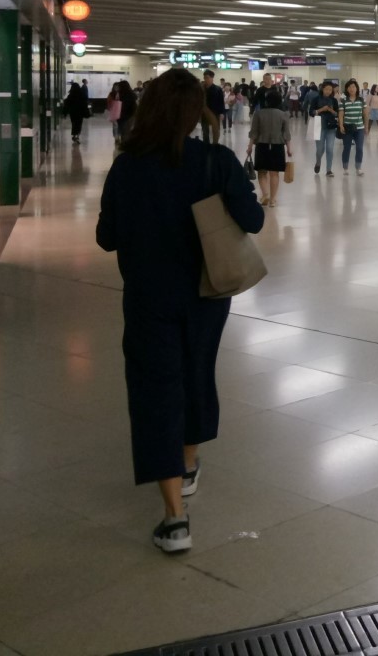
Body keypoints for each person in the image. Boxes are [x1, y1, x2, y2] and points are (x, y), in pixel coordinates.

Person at [95, 67, 264, 553]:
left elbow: (107, 237)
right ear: (195, 113)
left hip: (149, 296)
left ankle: (174, 518)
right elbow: (251, 219)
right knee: (195, 372)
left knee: (156, 387)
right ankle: (188, 462)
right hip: (208, 295)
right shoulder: (215, 160)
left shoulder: (128, 166)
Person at [249, 86, 291, 206]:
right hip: (277, 146)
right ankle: (272, 199)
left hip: (261, 145)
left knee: (262, 172)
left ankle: (265, 193)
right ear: (279, 101)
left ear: (266, 101)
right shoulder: (283, 115)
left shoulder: (259, 114)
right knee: (274, 173)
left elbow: (254, 132)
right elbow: (286, 134)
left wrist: (250, 146)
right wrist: (289, 148)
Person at [338, 79, 369, 176]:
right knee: (346, 147)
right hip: (347, 128)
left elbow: (365, 114)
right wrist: (341, 125)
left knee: (359, 148)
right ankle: (345, 168)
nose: (352, 89)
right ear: (347, 89)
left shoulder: (361, 100)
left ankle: (358, 168)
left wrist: (366, 127)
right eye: (350, 87)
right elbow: (341, 114)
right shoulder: (343, 100)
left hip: (359, 128)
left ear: (357, 88)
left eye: (353, 87)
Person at [312, 82, 340, 177]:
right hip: (318, 126)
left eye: (330, 89)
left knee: (330, 149)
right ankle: (318, 162)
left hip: (331, 127)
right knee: (320, 149)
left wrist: (331, 110)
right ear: (322, 89)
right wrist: (321, 110)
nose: (328, 91)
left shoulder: (334, 100)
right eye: (326, 89)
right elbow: (311, 112)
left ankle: (329, 170)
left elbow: (337, 114)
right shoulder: (316, 99)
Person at [200, 70, 225, 145]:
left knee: (216, 131)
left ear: (212, 78)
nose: (206, 80)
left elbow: (221, 102)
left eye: (207, 78)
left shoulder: (217, 89)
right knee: (205, 131)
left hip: (215, 113)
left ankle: (215, 144)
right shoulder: (201, 89)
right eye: (204, 78)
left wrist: (222, 113)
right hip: (204, 114)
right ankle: (206, 146)